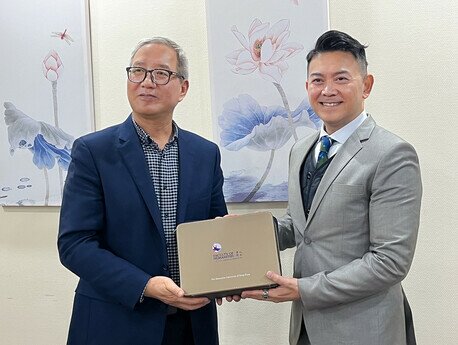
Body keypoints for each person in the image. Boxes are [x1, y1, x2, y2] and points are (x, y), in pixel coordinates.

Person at [241, 30, 422, 345]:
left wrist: (305, 289)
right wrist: (244, 233)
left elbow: (390, 261)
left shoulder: (392, 153)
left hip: (365, 329)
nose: (327, 90)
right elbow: (301, 227)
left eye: (341, 79)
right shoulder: (302, 150)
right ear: (307, 86)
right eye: (317, 80)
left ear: (366, 86)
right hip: (306, 327)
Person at [58, 37, 227, 345]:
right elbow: (75, 244)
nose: (147, 82)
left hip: (192, 324)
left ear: (183, 88)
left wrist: (229, 276)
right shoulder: (93, 152)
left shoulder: (205, 153)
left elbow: (217, 232)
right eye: (138, 71)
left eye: (161, 73)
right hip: (116, 322)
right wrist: (145, 285)